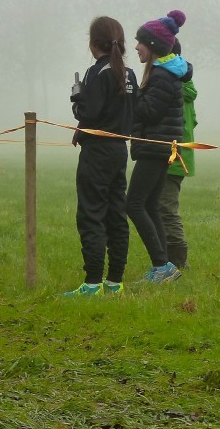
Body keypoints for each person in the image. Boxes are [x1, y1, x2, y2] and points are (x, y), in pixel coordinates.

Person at [64, 17, 137, 297]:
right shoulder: (128, 73)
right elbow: (130, 111)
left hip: (96, 153)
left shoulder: (97, 72)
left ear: (93, 43)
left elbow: (89, 113)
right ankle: (115, 282)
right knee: (116, 214)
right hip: (120, 151)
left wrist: (77, 97)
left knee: (91, 215)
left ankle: (92, 283)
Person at [127, 10, 188, 283]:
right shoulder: (161, 74)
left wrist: (130, 92)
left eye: (140, 42)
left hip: (155, 148)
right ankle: (163, 267)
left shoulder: (161, 77)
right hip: (158, 148)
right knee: (150, 205)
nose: (136, 47)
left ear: (152, 46)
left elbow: (148, 112)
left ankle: (161, 266)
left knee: (134, 204)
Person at [159, 38, 197, 269]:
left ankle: (178, 261)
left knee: (166, 208)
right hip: (178, 157)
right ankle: (166, 256)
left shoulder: (173, 90)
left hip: (173, 158)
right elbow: (194, 121)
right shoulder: (185, 89)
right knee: (160, 207)